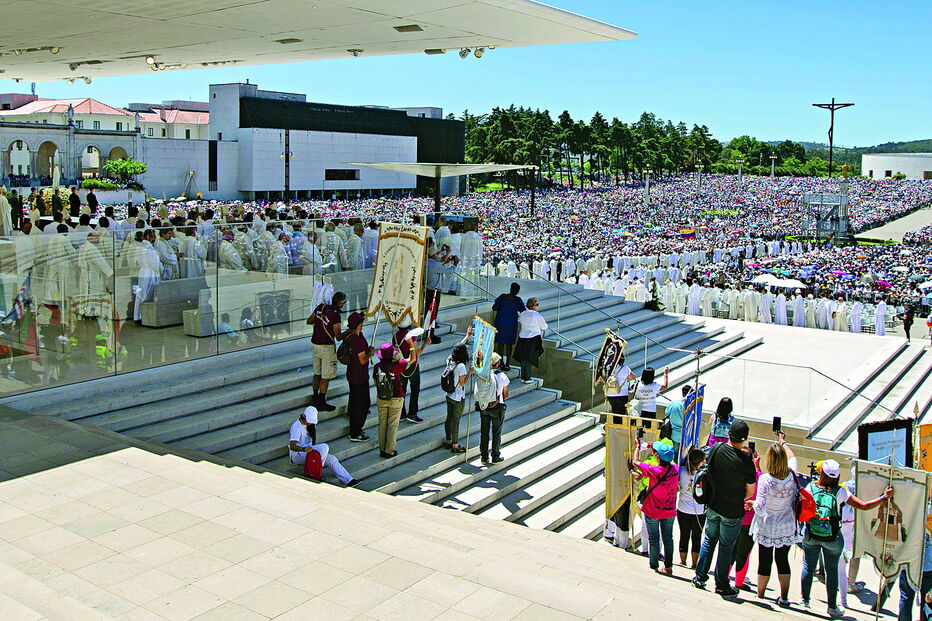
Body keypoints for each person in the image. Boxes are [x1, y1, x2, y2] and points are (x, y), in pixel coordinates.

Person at [800, 458, 894, 618]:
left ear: (821, 472)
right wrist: (884, 498)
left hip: (811, 533)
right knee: (832, 571)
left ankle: (804, 600)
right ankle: (832, 607)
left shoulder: (811, 486)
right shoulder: (841, 491)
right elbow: (863, 506)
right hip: (832, 537)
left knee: (808, 566)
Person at [692, 419, 756, 599]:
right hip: (732, 510)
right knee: (726, 547)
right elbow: (750, 491)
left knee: (709, 540)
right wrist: (737, 498)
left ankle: (700, 577)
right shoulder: (746, 462)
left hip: (712, 505)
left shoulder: (716, 449)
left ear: (729, 433)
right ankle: (721, 584)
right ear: (745, 439)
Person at [749, 433, 802, 607]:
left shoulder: (766, 479)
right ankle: (784, 597)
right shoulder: (792, 475)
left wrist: (751, 504)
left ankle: (761, 594)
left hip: (767, 523)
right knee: (782, 560)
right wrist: (782, 441)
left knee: (764, 560)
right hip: (786, 524)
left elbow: (761, 506)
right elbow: (793, 457)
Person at [629, 440, 679, 574]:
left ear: (657, 457)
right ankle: (668, 566)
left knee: (654, 538)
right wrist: (654, 448)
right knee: (668, 538)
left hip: (653, 510)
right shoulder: (676, 469)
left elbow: (635, 462)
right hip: (669, 510)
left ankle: (654, 564)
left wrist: (638, 448)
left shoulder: (654, 470)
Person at [288, 406, 359, 486]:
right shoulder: (296, 426)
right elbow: (292, 446)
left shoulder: (310, 426)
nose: (310, 423)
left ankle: (349, 480)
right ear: (304, 417)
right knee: (324, 447)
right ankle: (317, 472)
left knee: (332, 459)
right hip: (298, 455)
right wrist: (303, 449)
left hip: (308, 452)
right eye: (309, 421)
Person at [306, 291, 347, 411]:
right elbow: (338, 336)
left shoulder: (321, 307)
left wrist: (320, 321)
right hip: (327, 347)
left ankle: (314, 397)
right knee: (325, 376)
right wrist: (350, 331)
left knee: (317, 373)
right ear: (340, 303)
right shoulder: (336, 315)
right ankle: (321, 401)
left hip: (315, 344)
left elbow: (309, 321)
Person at [373, 343, 413, 458]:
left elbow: (376, 382)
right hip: (396, 398)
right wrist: (411, 345)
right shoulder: (398, 365)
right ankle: (389, 450)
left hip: (381, 398)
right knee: (392, 425)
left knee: (382, 424)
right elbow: (413, 359)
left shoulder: (377, 367)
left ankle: (382, 449)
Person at [344, 312, 374, 442]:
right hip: (360, 377)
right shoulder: (358, 341)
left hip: (351, 374)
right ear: (358, 325)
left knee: (354, 402)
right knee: (363, 404)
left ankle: (354, 427)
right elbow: (362, 360)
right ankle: (355, 432)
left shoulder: (349, 335)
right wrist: (370, 353)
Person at [475, 351, 509, 464]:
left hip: (484, 406)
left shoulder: (483, 374)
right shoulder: (501, 376)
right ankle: (495, 456)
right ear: (497, 363)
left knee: (484, 432)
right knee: (496, 432)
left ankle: (484, 457)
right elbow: (506, 394)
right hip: (497, 406)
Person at [394, 318, 429, 424]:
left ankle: (402, 413)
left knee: (402, 390)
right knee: (415, 389)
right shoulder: (411, 336)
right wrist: (425, 343)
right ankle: (412, 413)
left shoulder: (395, 336)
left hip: (401, 366)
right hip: (412, 366)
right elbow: (417, 352)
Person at [677, 448, 707, 568]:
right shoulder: (703, 475)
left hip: (683, 508)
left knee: (684, 535)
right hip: (698, 511)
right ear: (699, 462)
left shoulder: (682, 470)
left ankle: (682, 561)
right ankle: (694, 564)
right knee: (696, 537)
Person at [443, 342, 472, 453]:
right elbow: (463, 383)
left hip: (449, 394)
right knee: (456, 421)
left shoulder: (450, 360)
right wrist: (469, 372)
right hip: (458, 397)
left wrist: (467, 337)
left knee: (449, 418)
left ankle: (448, 440)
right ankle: (455, 445)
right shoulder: (461, 366)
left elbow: (458, 348)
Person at [491, 283, 525, 370]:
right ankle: (507, 364)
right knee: (509, 344)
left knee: (501, 343)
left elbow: (494, 308)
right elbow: (523, 311)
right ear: (517, 291)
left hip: (501, 322)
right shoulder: (518, 300)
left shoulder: (502, 297)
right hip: (511, 323)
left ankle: (501, 362)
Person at [514, 297, 548, 384]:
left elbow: (519, 321)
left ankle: (523, 376)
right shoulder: (536, 315)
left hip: (522, 337)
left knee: (523, 358)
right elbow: (544, 326)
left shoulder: (522, 314)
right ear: (534, 306)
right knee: (530, 358)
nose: (538, 307)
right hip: (534, 338)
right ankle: (527, 377)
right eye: (537, 305)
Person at [604, 354, 636, 425]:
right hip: (622, 394)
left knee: (614, 411)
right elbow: (633, 377)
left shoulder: (609, 368)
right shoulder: (625, 368)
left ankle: (613, 427)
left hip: (610, 393)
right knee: (621, 413)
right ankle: (619, 428)